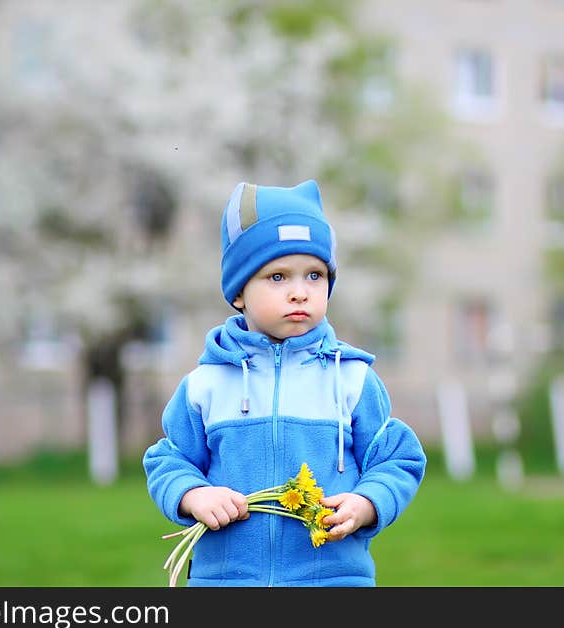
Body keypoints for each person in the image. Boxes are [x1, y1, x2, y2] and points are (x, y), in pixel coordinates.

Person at [143, 179, 427, 586]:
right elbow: (168, 459)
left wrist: (367, 503)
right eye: (278, 277)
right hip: (227, 580)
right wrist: (193, 495)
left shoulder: (351, 378)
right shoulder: (205, 384)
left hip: (332, 578)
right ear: (239, 292)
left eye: (314, 275)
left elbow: (397, 458)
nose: (300, 293)